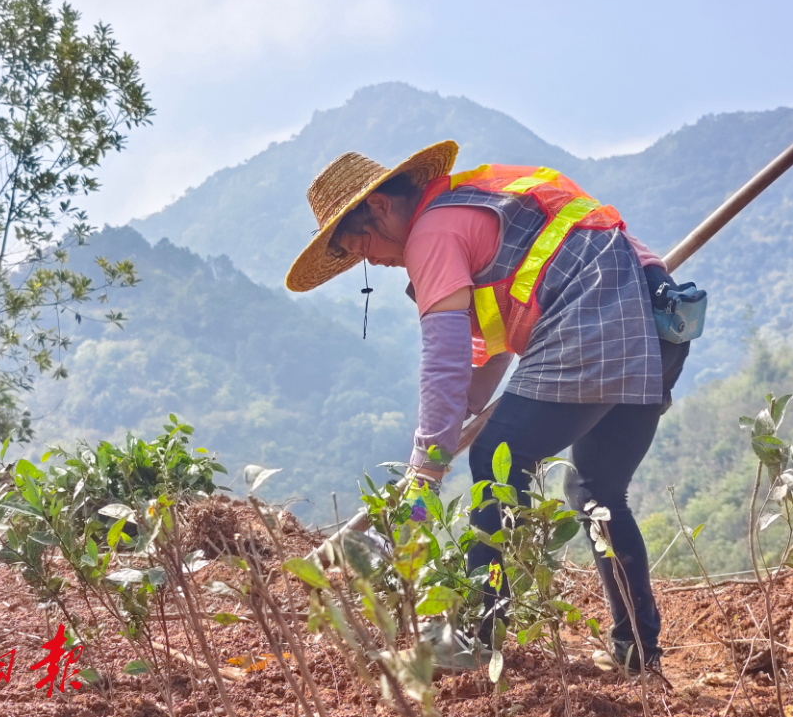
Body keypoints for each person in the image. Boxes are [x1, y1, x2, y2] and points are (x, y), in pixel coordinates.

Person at [285, 141, 690, 673]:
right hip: (658, 326)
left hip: (594, 324)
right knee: (597, 492)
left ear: (381, 206)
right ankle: (638, 655)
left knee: (498, 455)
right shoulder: (477, 204)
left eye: (359, 243)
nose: (371, 260)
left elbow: (445, 357)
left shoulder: (432, 230)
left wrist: (425, 469)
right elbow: (485, 352)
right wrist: (454, 422)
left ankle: (481, 636)